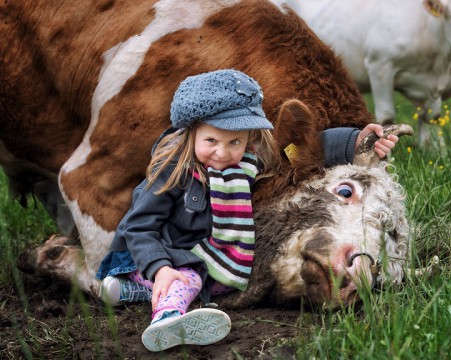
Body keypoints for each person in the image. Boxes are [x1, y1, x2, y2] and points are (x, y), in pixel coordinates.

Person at [95, 69, 399, 352]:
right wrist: (160, 268)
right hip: (160, 253)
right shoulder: (170, 172)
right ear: (190, 133)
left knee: (218, 282)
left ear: (250, 139)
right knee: (188, 280)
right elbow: (138, 228)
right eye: (211, 140)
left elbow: (302, 148)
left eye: (235, 141)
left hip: (199, 252)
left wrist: (354, 140)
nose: (223, 153)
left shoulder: (246, 162)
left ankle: (129, 291)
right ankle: (167, 320)